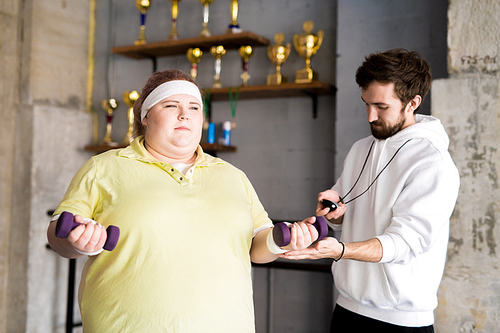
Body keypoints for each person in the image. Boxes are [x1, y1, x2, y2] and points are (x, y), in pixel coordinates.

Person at [47, 69, 319, 332]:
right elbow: (58, 233)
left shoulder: (232, 176)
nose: (184, 115)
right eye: (170, 105)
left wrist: (284, 241)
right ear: (144, 116)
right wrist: (75, 241)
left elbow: (257, 246)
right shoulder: (104, 168)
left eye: (194, 108)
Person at [281, 49, 460, 332]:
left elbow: (404, 242)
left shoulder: (433, 162)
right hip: (346, 310)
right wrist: (336, 216)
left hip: (400, 322)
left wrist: (340, 251)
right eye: (366, 103)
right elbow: (345, 215)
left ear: (413, 102)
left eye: (381, 106)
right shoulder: (361, 148)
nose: (370, 116)